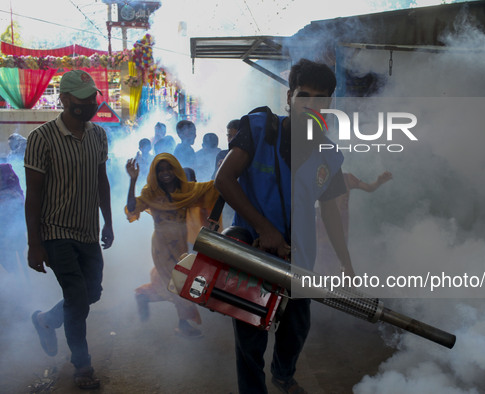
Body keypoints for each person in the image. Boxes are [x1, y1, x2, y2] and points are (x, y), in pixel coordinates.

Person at [215, 58, 354, 394]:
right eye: (304, 95)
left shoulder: (328, 154)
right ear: (289, 96)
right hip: (253, 250)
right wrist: (265, 229)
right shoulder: (259, 128)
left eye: (321, 99)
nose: (311, 105)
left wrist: (346, 263)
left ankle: (283, 374)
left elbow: (331, 212)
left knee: (296, 326)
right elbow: (224, 179)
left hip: (298, 255)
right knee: (250, 331)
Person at [24, 70, 114, 390]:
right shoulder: (41, 138)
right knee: (77, 297)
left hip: (88, 231)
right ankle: (82, 365)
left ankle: (46, 320)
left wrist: (109, 221)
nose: (89, 103)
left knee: (92, 293)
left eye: (92, 97)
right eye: (82, 98)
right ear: (63, 99)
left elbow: (101, 181)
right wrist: (34, 244)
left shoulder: (98, 135)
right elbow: (32, 196)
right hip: (55, 231)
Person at [125, 153, 219, 337]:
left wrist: (222, 170)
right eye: (160, 170)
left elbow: (212, 188)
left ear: (176, 170)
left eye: (169, 168)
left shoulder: (187, 191)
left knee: (178, 283)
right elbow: (131, 207)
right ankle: (183, 325)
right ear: (155, 173)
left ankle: (144, 295)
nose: (165, 173)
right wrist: (132, 181)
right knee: (179, 284)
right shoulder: (150, 193)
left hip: (180, 247)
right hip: (161, 246)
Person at [315, 171, 392, 275]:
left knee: (339, 258)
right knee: (324, 260)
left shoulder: (347, 178)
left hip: (341, 226)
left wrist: (378, 182)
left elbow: (368, 188)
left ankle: (338, 284)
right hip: (324, 226)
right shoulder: (321, 176)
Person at [0, 163, 27, 275]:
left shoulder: (5, 169)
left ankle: (19, 280)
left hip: (12, 218)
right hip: (13, 218)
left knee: (13, 253)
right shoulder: (6, 169)